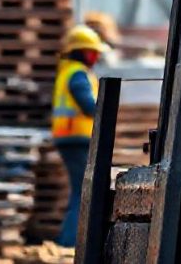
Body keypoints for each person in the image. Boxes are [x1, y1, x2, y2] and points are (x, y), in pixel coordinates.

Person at [51, 24, 108, 247]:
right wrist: (104, 111)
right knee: (84, 192)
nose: (96, 57)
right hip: (76, 138)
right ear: (80, 52)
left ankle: (69, 241)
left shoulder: (66, 71)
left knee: (79, 190)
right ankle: (71, 243)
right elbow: (88, 105)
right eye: (92, 52)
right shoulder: (77, 74)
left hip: (68, 137)